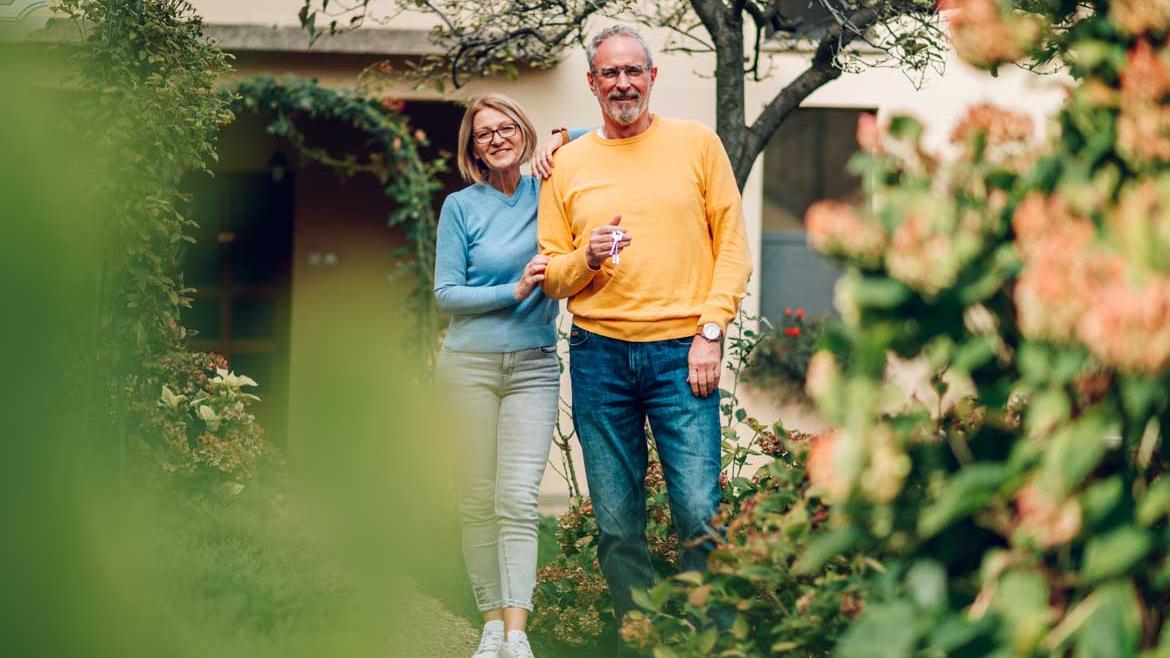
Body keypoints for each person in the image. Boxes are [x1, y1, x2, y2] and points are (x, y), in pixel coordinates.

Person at [537, 24, 752, 655]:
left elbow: (733, 248)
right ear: (593, 83)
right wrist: (587, 257)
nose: (623, 82)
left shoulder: (696, 144)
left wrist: (711, 331)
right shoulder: (568, 164)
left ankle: (708, 641)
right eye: (610, 73)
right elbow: (551, 270)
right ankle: (644, 642)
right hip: (599, 355)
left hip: (683, 355)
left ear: (652, 77)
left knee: (697, 514)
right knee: (617, 525)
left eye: (634, 71)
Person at [433, 94, 585, 658]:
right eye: (483, 134)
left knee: (518, 500)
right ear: (472, 148)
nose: (495, 139)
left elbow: (612, 129)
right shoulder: (460, 207)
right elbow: (445, 295)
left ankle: (518, 635)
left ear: (523, 131)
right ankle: (491, 624)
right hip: (467, 368)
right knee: (476, 498)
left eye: (506, 128)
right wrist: (514, 290)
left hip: (532, 366)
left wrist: (560, 136)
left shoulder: (549, 191)